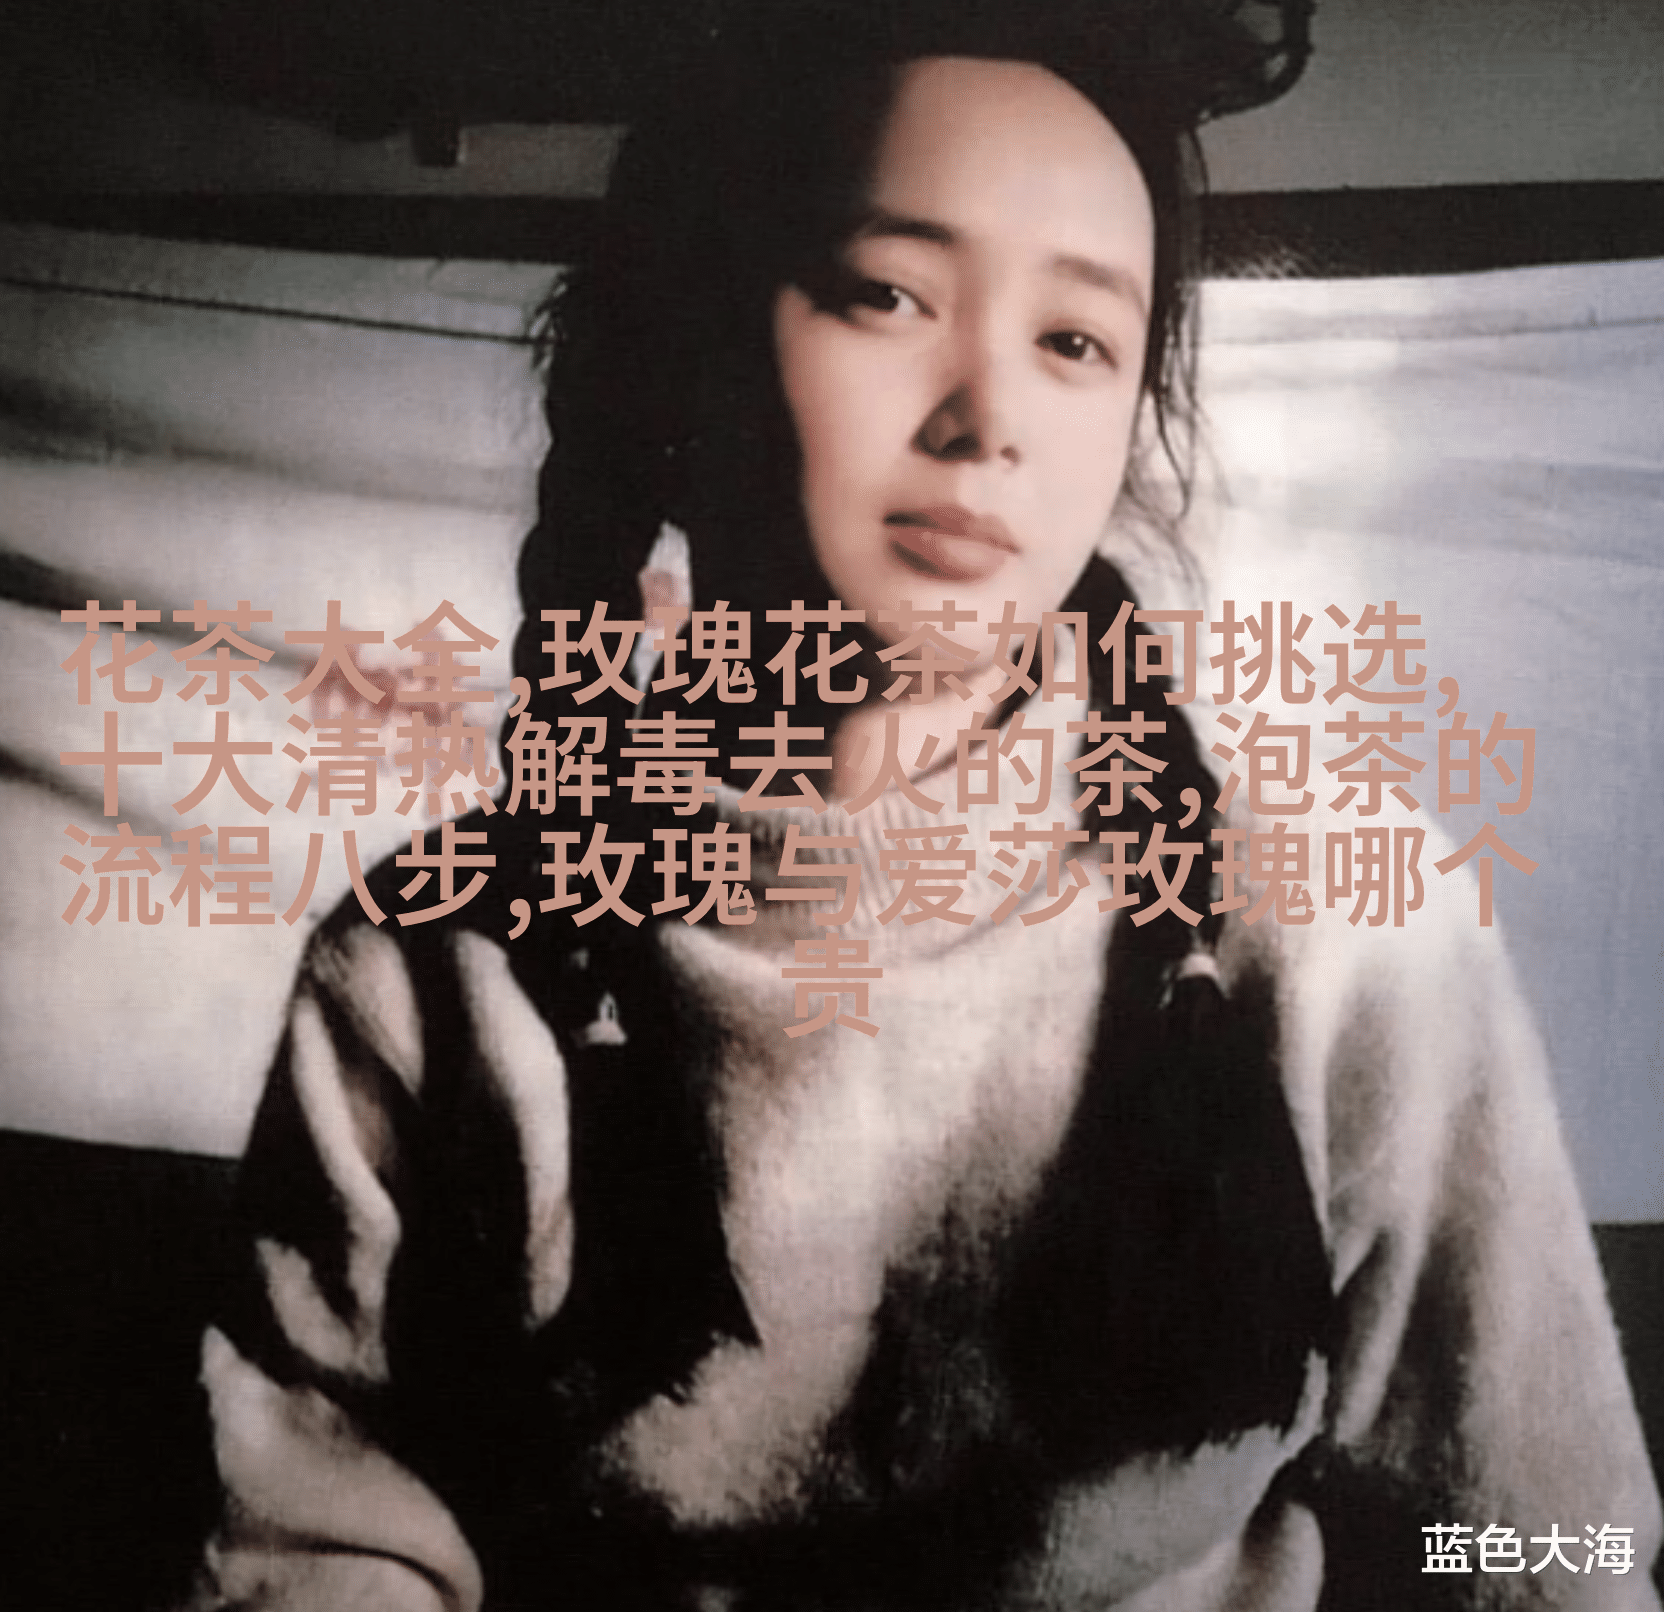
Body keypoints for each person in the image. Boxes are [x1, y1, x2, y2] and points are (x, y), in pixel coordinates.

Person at [185, 3, 1660, 1608]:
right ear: (679, 351)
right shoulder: (434, 963)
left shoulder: (1336, 923)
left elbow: (1553, 1550)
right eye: (886, 293)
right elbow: (313, 1541)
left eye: (1075, 341)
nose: (989, 419)